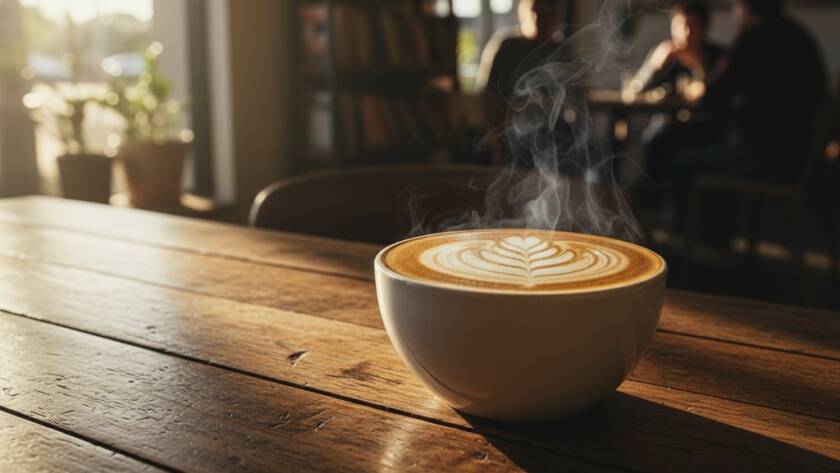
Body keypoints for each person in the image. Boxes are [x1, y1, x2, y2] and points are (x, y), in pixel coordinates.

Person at [647, 0, 827, 237]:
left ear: (744, 8)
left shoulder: (754, 38)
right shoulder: (800, 36)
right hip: (801, 158)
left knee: (682, 164)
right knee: (705, 148)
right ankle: (717, 243)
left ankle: (687, 245)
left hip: (769, 157)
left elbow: (713, 96)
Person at [632, 1, 725, 94]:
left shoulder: (718, 56)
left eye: (692, 26)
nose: (686, 33)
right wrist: (652, 67)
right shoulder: (664, 53)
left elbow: (722, 93)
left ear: (703, 28)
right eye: (679, 25)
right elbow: (635, 90)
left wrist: (700, 66)